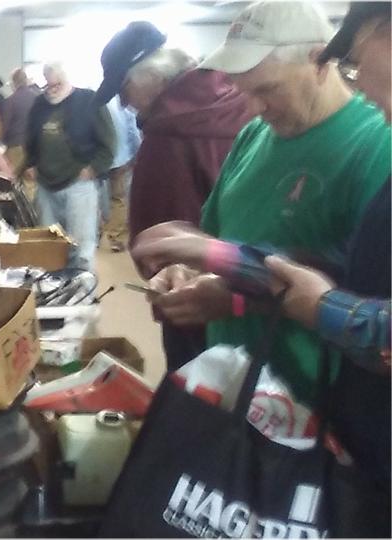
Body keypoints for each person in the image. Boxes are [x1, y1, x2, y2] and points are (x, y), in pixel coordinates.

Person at [131, 1, 392, 509]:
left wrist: (229, 290)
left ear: (318, 61)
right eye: (242, 91)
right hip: (238, 390)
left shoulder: (375, 141)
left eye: (267, 89)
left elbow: (357, 282)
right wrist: (187, 267)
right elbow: (218, 234)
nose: (252, 108)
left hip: (313, 410)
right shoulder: (254, 135)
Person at [95, 20, 255, 370]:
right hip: (251, 288)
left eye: (124, 89)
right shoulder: (241, 103)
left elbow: (158, 234)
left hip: (190, 296)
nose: (125, 104)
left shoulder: (167, 135)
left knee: (196, 386)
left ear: (152, 78)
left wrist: (160, 266)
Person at [19, 62, 116, 272]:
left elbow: (109, 143)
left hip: (79, 184)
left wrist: (94, 168)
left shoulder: (89, 100)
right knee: (50, 244)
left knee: (81, 246)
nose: (52, 90)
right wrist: (30, 163)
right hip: (46, 185)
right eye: (49, 85)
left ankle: (82, 286)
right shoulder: (39, 104)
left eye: (58, 84)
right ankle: (54, 286)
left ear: (67, 79)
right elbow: (30, 137)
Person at [100, 95, 141, 253]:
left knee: (95, 197)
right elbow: (133, 132)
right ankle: (115, 238)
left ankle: (95, 234)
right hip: (120, 159)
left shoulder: (94, 101)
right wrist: (136, 155)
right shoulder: (123, 103)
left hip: (97, 159)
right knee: (118, 198)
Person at [0, 68, 39, 180]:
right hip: (35, 148)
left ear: (14, 83)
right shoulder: (38, 99)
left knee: (9, 179)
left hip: (16, 146)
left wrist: (2, 142)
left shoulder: (10, 101)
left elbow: (5, 126)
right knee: (30, 181)